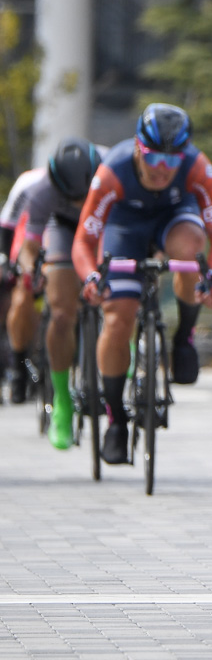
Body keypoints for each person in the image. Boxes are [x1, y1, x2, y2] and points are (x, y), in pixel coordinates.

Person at [72, 103, 212, 465]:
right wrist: (92, 276)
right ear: (137, 147)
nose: (163, 169)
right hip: (124, 225)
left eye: (173, 161)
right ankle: (116, 419)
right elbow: (83, 241)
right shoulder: (112, 171)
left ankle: (184, 338)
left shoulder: (198, 167)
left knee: (191, 249)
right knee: (117, 319)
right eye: (154, 158)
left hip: (175, 216)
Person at [0, 139, 103, 448]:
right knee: (46, 301)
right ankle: (36, 378)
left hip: (100, 224)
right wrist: (26, 269)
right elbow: (17, 236)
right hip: (52, 229)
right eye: (72, 196)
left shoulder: (111, 170)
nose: (77, 201)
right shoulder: (34, 188)